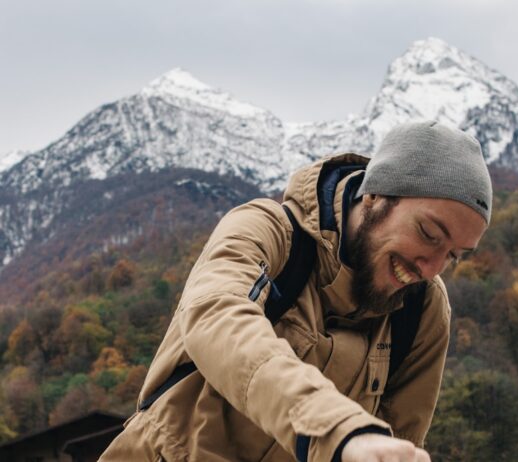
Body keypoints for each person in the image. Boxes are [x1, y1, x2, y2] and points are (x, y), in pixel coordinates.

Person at [99, 121, 492, 462]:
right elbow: (218, 323)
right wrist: (339, 431)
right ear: (376, 195)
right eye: (428, 233)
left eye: (453, 256)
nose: (430, 268)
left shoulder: (423, 310)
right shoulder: (266, 232)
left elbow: (400, 444)